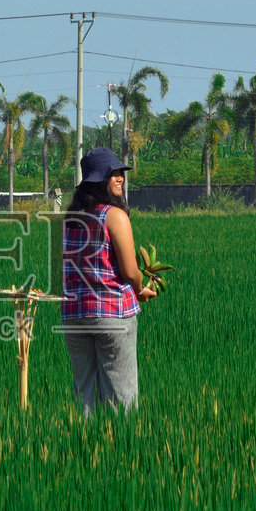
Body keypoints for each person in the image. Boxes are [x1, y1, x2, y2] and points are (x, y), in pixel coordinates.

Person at [60, 147, 155, 416]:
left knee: (85, 397)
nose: (120, 178)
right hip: (111, 313)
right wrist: (140, 289)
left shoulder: (71, 219)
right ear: (98, 180)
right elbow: (129, 270)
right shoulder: (114, 216)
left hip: (74, 315)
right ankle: (120, 452)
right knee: (121, 398)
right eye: (112, 174)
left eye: (120, 173)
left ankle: (87, 449)